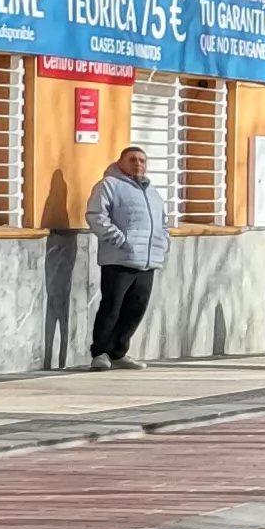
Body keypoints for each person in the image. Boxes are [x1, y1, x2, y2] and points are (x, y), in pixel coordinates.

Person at [77, 143, 166, 370]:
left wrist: (162, 244)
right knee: (112, 307)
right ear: (120, 162)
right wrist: (118, 239)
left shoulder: (153, 193)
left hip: (147, 261)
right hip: (119, 259)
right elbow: (96, 215)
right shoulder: (109, 185)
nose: (138, 164)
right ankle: (100, 353)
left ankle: (118, 352)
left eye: (142, 160)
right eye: (132, 159)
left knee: (136, 309)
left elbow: (163, 223)